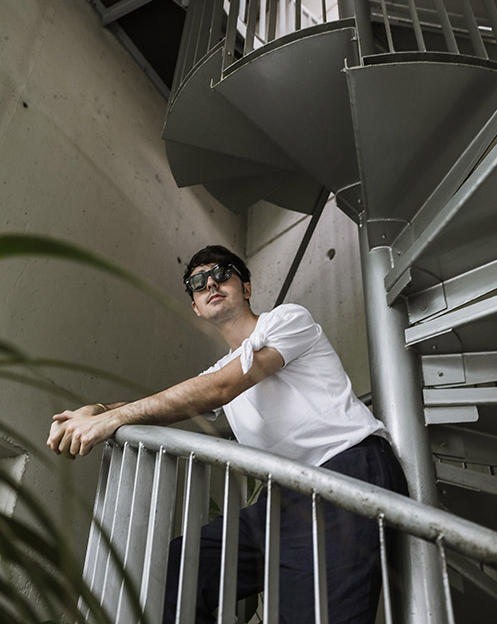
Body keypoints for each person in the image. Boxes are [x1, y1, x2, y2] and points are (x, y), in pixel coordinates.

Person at [47, 244, 407, 623]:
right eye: (198, 282)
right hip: (283, 497)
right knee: (175, 573)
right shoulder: (220, 369)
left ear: (246, 287)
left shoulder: (286, 320)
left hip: (346, 473)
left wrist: (112, 419)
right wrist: (100, 410)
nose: (210, 284)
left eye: (221, 273)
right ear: (195, 307)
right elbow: (180, 399)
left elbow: (221, 388)